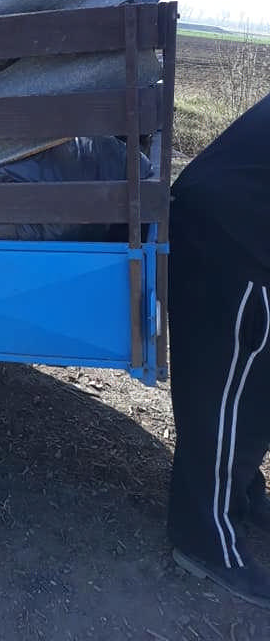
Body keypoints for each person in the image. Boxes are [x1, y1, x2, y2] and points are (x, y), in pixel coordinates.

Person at [168, 91, 270, 607]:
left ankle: (242, 491)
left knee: (254, 390)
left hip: (237, 220)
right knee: (229, 396)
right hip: (227, 234)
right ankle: (204, 537)